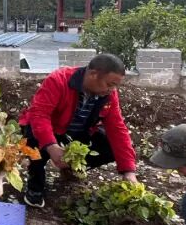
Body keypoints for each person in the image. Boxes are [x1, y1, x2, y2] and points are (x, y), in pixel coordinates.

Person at [17, 53, 138, 208]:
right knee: (34, 142)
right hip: (49, 129)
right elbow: (39, 115)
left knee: (108, 145)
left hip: (77, 133)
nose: (112, 90)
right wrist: (51, 146)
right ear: (93, 74)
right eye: (109, 84)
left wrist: (129, 171)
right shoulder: (59, 80)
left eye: (115, 86)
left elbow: (117, 128)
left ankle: (71, 167)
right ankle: (35, 182)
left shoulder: (108, 94)